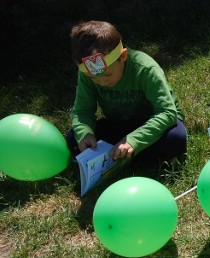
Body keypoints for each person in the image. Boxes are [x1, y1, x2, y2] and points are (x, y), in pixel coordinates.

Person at [66, 20, 187, 167]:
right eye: (93, 78)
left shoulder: (145, 69)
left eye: (108, 75)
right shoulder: (86, 73)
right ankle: (132, 157)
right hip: (120, 124)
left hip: (153, 123)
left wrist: (133, 141)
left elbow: (167, 113)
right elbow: (83, 111)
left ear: (123, 56)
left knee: (176, 138)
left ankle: (121, 157)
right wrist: (85, 134)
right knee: (74, 138)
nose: (101, 81)